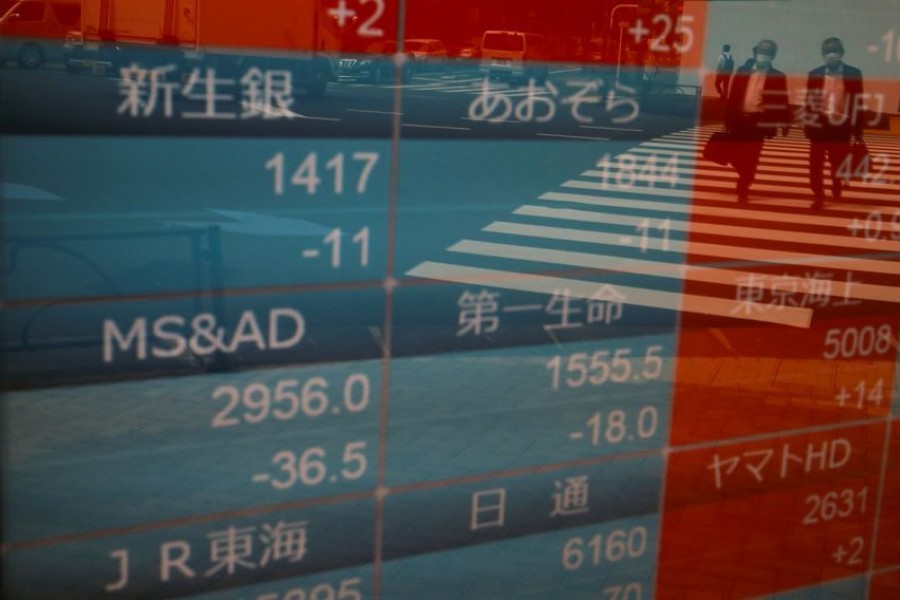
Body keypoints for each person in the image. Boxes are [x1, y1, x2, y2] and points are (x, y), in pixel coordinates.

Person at [725, 39, 791, 204]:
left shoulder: (777, 77)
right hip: (740, 120)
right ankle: (745, 175)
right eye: (762, 53)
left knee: (752, 157)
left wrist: (784, 123)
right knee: (737, 155)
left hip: (758, 122)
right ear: (755, 53)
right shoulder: (742, 71)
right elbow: (733, 97)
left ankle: (743, 187)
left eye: (768, 54)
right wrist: (728, 120)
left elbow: (782, 100)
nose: (764, 57)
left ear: (773, 56)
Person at [802, 37, 865, 210]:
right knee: (815, 164)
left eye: (835, 50)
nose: (832, 54)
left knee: (838, 162)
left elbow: (857, 103)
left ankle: (836, 184)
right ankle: (818, 195)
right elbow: (809, 101)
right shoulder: (815, 74)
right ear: (823, 55)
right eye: (828, 51)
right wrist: (807, 124)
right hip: (819, 125)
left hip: (841, 126)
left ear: (842, 52)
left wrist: (858, 129)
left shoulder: (853, 73)